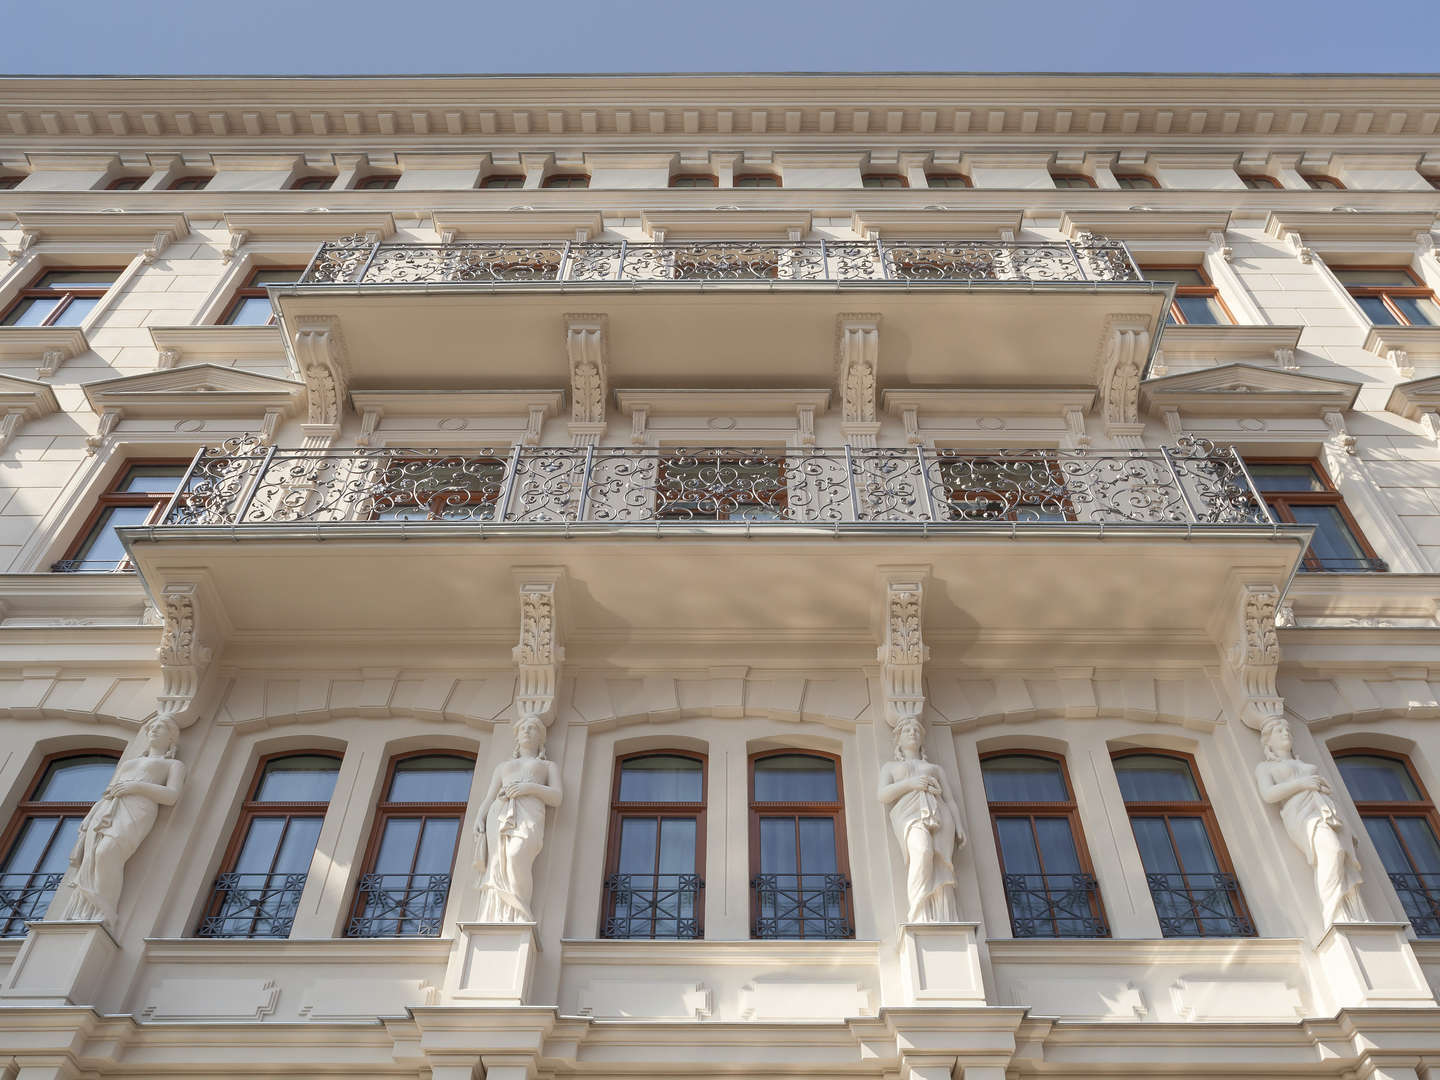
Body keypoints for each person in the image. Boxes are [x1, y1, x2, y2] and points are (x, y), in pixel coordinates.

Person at [65, 715, 185, 925]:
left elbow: (171, 796)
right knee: (92, 856)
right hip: (109, 808)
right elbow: (108, 791)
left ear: (171, 736)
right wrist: (92, 816)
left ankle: (105, 910)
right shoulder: (130, 762)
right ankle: (87, 912)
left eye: (161, 727)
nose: (154, 730)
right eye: (151, 727)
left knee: (107, 853)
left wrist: (136, 787)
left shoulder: (173, 764)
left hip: (138, 809)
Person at [1254, 716, 1368, 927]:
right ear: (1267, 741)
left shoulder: (1301, 763)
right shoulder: (1265, 767)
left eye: (1287, 729)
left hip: (1326, 809)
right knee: (1332, 852)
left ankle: (1351, 914)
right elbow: (1269, 794)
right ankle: (1333, 914)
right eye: (1279, 731)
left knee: (1341, 856)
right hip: (1301, 813)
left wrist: (1318, 786)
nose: (1285, 733)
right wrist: (1302, 783)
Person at [473, 715, 563, 923]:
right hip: (500, 813)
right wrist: (479, 817)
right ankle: (499, 917)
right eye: (523, 728)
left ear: (541, 737)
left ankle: (521, 913)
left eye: (532, 728)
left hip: (528, 813)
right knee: (497, 864)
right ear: (517, 735)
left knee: (515, 857)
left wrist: (529, 788)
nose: (527, 731)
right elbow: (489, 796)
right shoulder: (503, 766)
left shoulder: (548, 766)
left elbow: (557, 797)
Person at [877, 716, 964, 923]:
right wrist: (912, 784)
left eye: (916, 730)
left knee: (941, 861)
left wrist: (959, 826)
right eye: (907, 730)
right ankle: (918, 914)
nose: (912, 733)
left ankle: (943, 917)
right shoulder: (890, 767)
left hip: (939, 814)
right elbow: (883, 795)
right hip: (909, 815)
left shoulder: (935, 768)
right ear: (898, 738)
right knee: (922, 851)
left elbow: (950, 800)